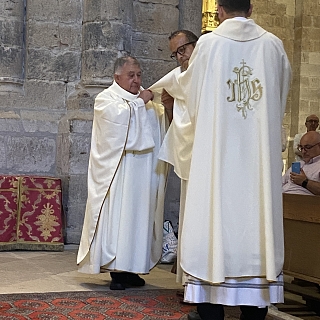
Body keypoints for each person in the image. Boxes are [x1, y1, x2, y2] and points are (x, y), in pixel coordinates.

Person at [153, 0, 292, 319]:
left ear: (218, 11)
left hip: (217, 162)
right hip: (257, 163)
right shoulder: (274, 46)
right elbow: (279, 96)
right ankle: (254, 308)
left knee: (212, 222)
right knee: (256, 224)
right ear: (252, 8)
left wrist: (164, 89)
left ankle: (211, 308)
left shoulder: (209, 46)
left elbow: (189, 90)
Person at [77, 56, 168, 290]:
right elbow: (119, 121)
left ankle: (133, 267)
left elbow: (159, 124)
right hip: (118, 173)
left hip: (143, 172)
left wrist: (164, 107)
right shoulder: (106, 99)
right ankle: (117, 271)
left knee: (139, 219)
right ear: (117, 77)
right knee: (120, 219)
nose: (137, 80)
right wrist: (142, 101)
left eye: (139, 75)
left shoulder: (145, 101)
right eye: (131, 75)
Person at [150, 29, 198, 282]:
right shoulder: (179, 78)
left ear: (196, 45)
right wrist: (169, 106)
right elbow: (177, 123)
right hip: (191, 155)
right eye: (175, 54)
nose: (180, 57)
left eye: (183, 49)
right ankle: (185, 262)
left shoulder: (206, 70)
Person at [283, 131, 320, 196]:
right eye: (301, 148)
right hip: (280, 198)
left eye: (307, 147)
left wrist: (305, 182)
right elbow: (279, 183)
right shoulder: (298, 164)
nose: (303, 152)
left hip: (301, 202)